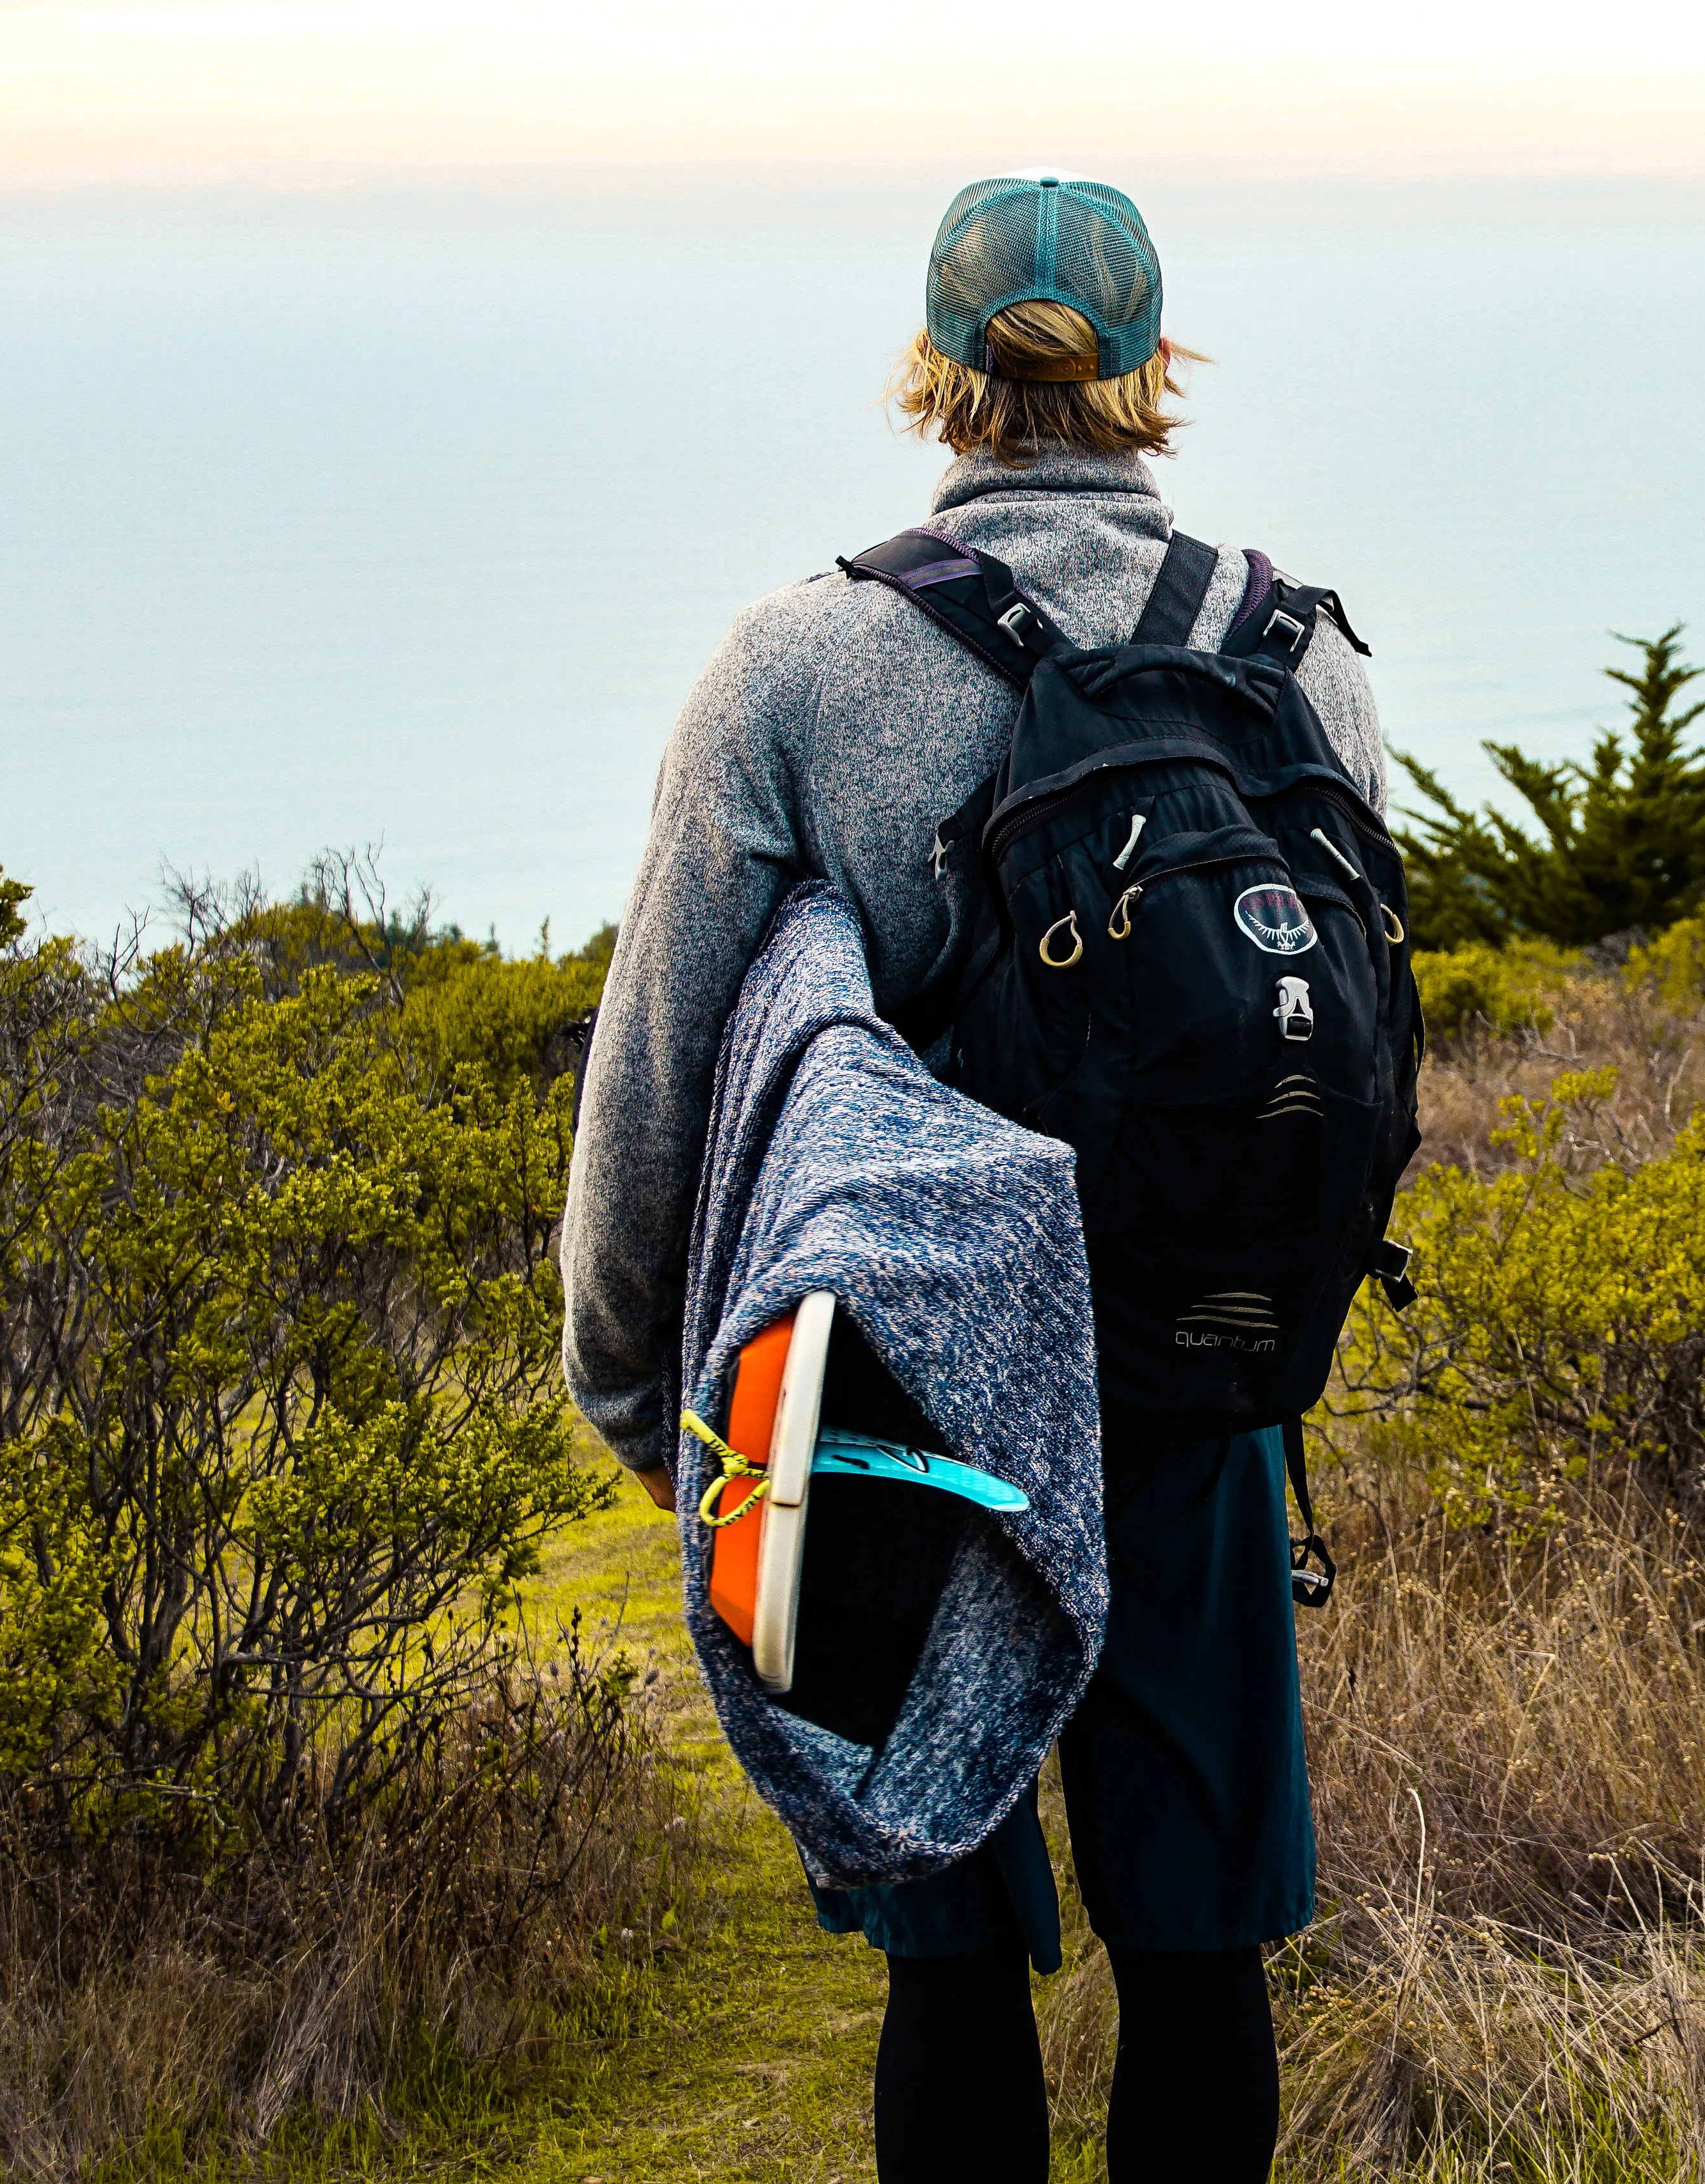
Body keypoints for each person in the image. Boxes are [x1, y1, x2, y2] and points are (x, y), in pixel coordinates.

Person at [561, 177, 1382, 2184]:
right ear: (1153, 365)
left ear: (934, 368)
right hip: (1198, 1374)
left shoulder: (801, 665)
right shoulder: (1299, 653)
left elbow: (661, 1052)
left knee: (947, 1954)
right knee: (1196, 1953)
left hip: (903, 1389)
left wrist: (633, 1380)